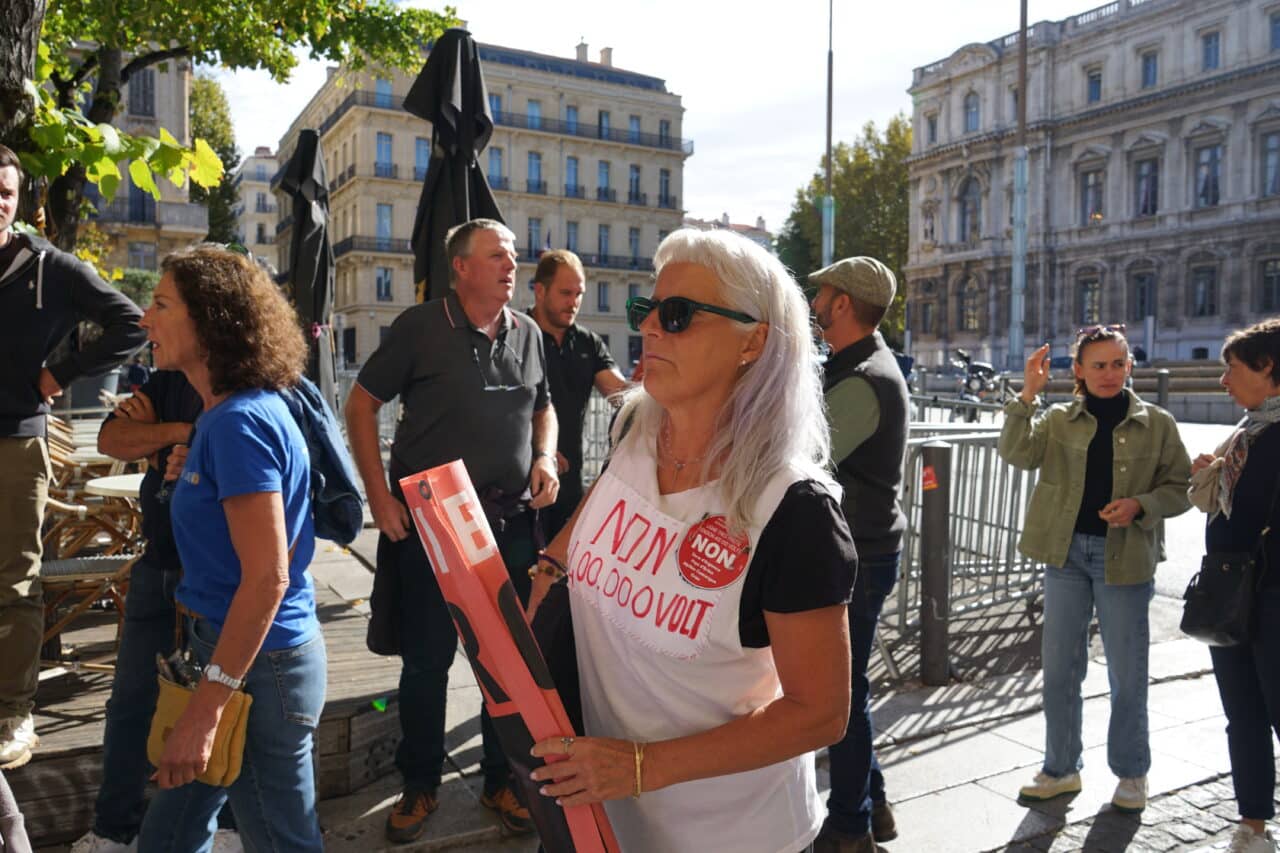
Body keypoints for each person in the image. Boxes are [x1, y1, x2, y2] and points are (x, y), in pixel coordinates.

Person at [524, 228, 857, 853]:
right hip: (601, 819)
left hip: (732, 834)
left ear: (753, 341)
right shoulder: (640, 433)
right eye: (645, 311)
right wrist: (546, 571)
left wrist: (640, 767)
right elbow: (601, 506)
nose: (650, 328)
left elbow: (821, 713)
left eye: (678, 316)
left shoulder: (793, 510)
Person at [345, 218, 559, 842]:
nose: (511, 264)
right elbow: (360, 404)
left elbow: (543, 407)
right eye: (497, 255)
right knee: (427, 665)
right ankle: (419, 787)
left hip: (511, 523)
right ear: (461, 268)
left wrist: (545, 456)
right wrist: (378, 498)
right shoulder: (419, 328)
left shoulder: (528, 333)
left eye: (513, 255)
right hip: (430, 523)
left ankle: (501, 782)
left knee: (506, 664)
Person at [134, 245, 326, 851]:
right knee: (169, 835)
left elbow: (267, 578)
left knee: (280, 840)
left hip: (253, 672)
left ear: (209, 319)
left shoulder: (239, 422)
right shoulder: (226, 419)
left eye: (161, 304)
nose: (145, 319)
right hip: (227, 659)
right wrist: (193, 481)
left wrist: (205, 711)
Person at [1000, 325, 1190, 814]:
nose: (1110, 374)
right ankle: (1061, 769)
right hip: (1064, 555)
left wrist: (1140, 505)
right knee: (1061, 668)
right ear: (1078, 371)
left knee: (1128, 672)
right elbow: (1016, 453)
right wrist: (1028, 395)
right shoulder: (1060, 419)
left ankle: (1131, 774)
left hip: (1124, 559)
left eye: (1118, 363)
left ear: (1130, 366)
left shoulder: (1158, 423)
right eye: (1098, 365)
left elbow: (1180, 487)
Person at [0, 143, 146, 768]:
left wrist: (58, 374)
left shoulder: (47, 267)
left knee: (14, 581)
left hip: (16, 437)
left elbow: (131, 323)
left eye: (3, 193)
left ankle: (13, 712)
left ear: (19, 199)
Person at [71, 370, 235, 853]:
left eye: (162, 306)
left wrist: (171, 439)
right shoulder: (166, 381)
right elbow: (111, 439)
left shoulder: (241, 379)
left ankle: (221, 830)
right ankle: (114, 831)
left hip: (214, 576)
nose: (146, 324)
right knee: (129, 705)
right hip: (158, 566)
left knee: (215, 709)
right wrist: (181, 431)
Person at [808, 257, 909, 853]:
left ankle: (849, 827)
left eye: (822, 292)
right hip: (865, 550)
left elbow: (805, 455)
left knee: (839, 696)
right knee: (850, 689)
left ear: (842, 303)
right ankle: (875, 806)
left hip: (861, 557)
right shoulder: (856, 365)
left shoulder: (864, 378)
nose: (815, 301)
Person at [1190, 319, 1280, 853]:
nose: (1224, 381)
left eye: (1233, 368)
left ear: (1268, 368)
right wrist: (1215, 472)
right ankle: (1253, 826)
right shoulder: (1246, 433)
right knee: (1241, 714)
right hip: (1233, 595)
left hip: (1275, 599)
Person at [529, 249, 628, 540]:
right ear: (539, 290)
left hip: (570, 487)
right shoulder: (517, 335)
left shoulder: (588, 342)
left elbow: (621, 396)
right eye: (565, 293)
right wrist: (537, 452)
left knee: (563, 579)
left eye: (579, 293)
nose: (574, 302)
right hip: (523, 486)